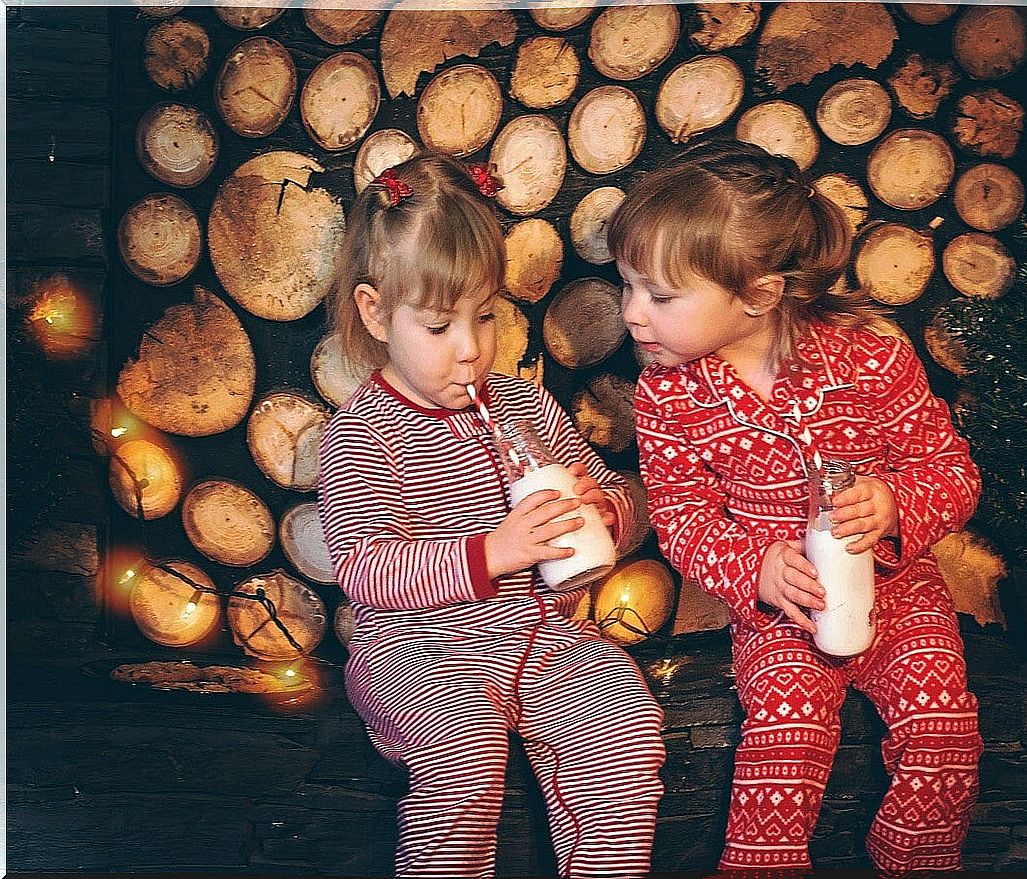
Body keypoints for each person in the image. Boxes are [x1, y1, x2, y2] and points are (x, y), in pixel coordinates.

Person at [609, 139, 983, 874]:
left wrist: (897, 502)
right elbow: (683, 515)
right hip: (784, 613)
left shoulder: (871, 357)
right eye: (626, 288)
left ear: (759, 292)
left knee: (943, 727)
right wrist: (756, 569)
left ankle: (916, 860)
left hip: (901, 600)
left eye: (658, 295)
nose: (631, 314)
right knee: (784, 736)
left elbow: (951, 469)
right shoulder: (670, 394)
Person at [317, 155, 665, 879]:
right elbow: (363, 565)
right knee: (463, 745)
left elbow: (620, 493)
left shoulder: (525, 404)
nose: (472, 350)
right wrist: (493, 552)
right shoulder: (364, 431)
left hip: (544, 639)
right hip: (419, 650)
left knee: (626, 720)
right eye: (440, 326)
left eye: (485, 316)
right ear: (376, 312)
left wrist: (603, 508)